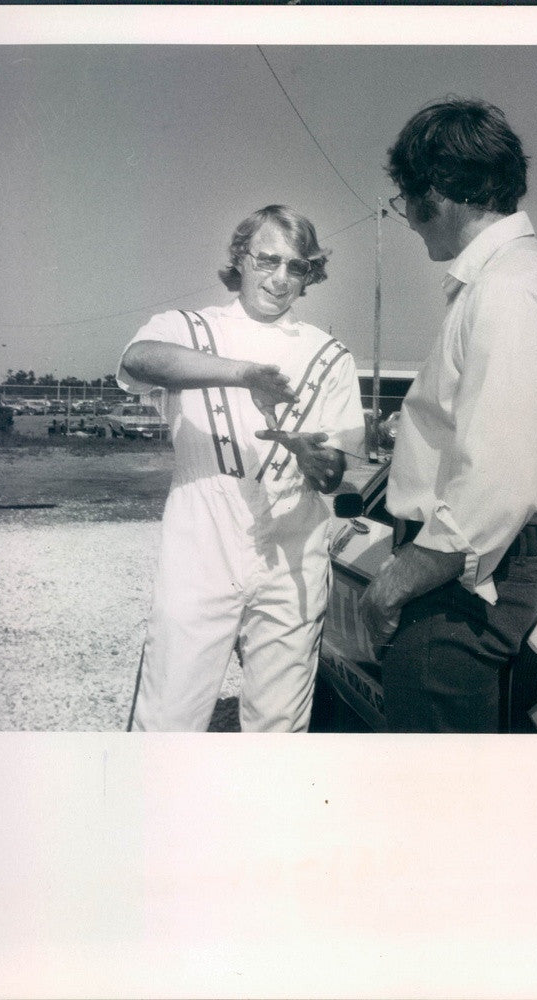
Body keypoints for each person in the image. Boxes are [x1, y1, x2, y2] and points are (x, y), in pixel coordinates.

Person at [360, 98, 537, 733]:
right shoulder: (522, 279)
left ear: (437, 189)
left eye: (406, 195)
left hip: (459, 588)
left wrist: (399, 579)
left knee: (439, 809)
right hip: (478, 572)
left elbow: (493, 481)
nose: (406, 217)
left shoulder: (507, 290)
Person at [120, 205, 365, 732]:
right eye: (267, 260)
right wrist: (244, 374)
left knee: (278, 729)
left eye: (296, 267)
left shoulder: (331, 355)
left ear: (310, 274)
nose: (280, 279)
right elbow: (138, 361)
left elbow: (333, 473)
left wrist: (314, 458)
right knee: (168, 720)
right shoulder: (191, 327)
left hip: (292, 558)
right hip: (200, 549)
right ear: (240, 258)